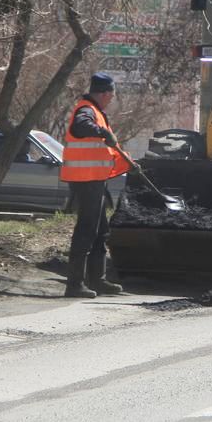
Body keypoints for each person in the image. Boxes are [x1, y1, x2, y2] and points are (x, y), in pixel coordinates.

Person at [59, 72, 133, 298]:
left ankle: (97, 280)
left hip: (95, 179)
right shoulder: (86, 110)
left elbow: (104, 148)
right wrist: (103, 132)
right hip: (85, 179)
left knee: (101, 230)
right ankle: (74, 285)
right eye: (111, 95)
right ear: (105, 93)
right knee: (86, 230)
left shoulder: (97, 112)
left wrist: (129, 163)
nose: (111, 99)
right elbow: (81, 127)